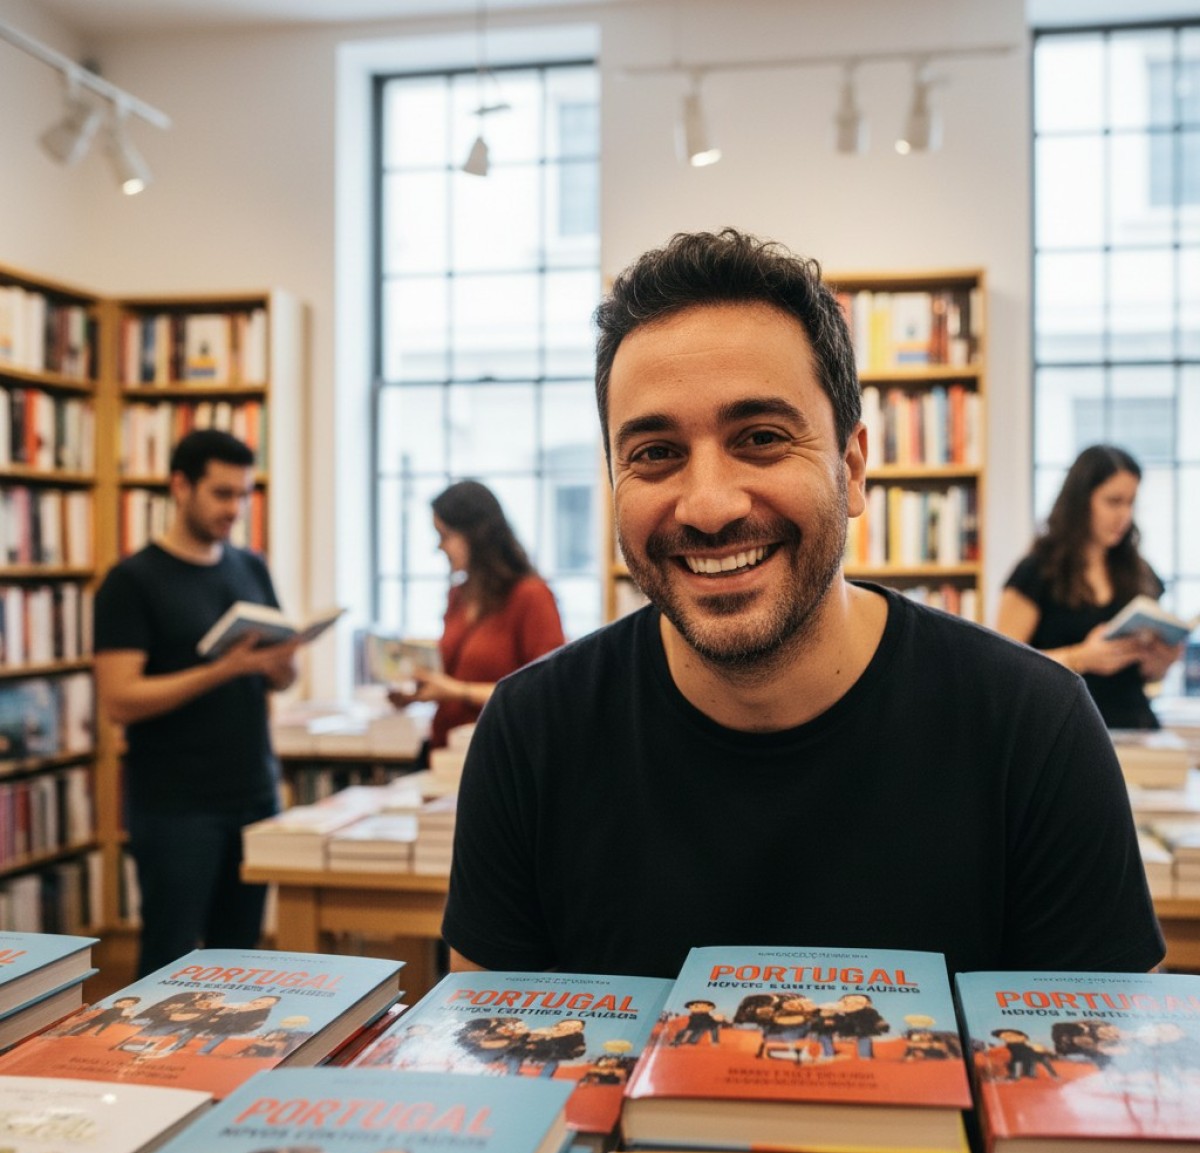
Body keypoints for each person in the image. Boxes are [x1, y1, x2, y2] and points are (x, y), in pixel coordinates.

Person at [441, 228, 1165, 981]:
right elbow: (496, 1071)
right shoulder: (529, 735)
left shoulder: (1033, 729)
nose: (710, 506)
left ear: (852, 469)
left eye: (759, 437)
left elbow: (1102, 1082)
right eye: (655, 453)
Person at [93, 429, 302, 976]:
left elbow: (279, 678)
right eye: (221, 494)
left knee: (239, 963)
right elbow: (119, 700)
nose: (235, 509)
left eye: (242, 495)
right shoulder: (132, 581)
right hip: (176, 805)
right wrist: (221, 670)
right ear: (179, 486)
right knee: (170, 963)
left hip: (253, 794)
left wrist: (282, 664)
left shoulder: (250, 567)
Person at [995, 444, 1182, 729]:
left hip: (1137, 729)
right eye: (1113, 501)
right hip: (1067, 730)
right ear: (1081, 501)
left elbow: (1147, 677)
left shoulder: (1141, 573)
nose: (1124, 515)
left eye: (1131, 502)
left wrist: (1160, 663)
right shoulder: (1037, 572)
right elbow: (1003, 668)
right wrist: (1081, 657)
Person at [388, 479, 565, 752]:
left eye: (445, 535)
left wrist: (457, 691)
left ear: (475, 534)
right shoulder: (459, 596)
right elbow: (450, 676)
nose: (440, 547)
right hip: (445, 751)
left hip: (499, 753)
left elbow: (545, 693)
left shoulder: (531, 596)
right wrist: (417, 694)